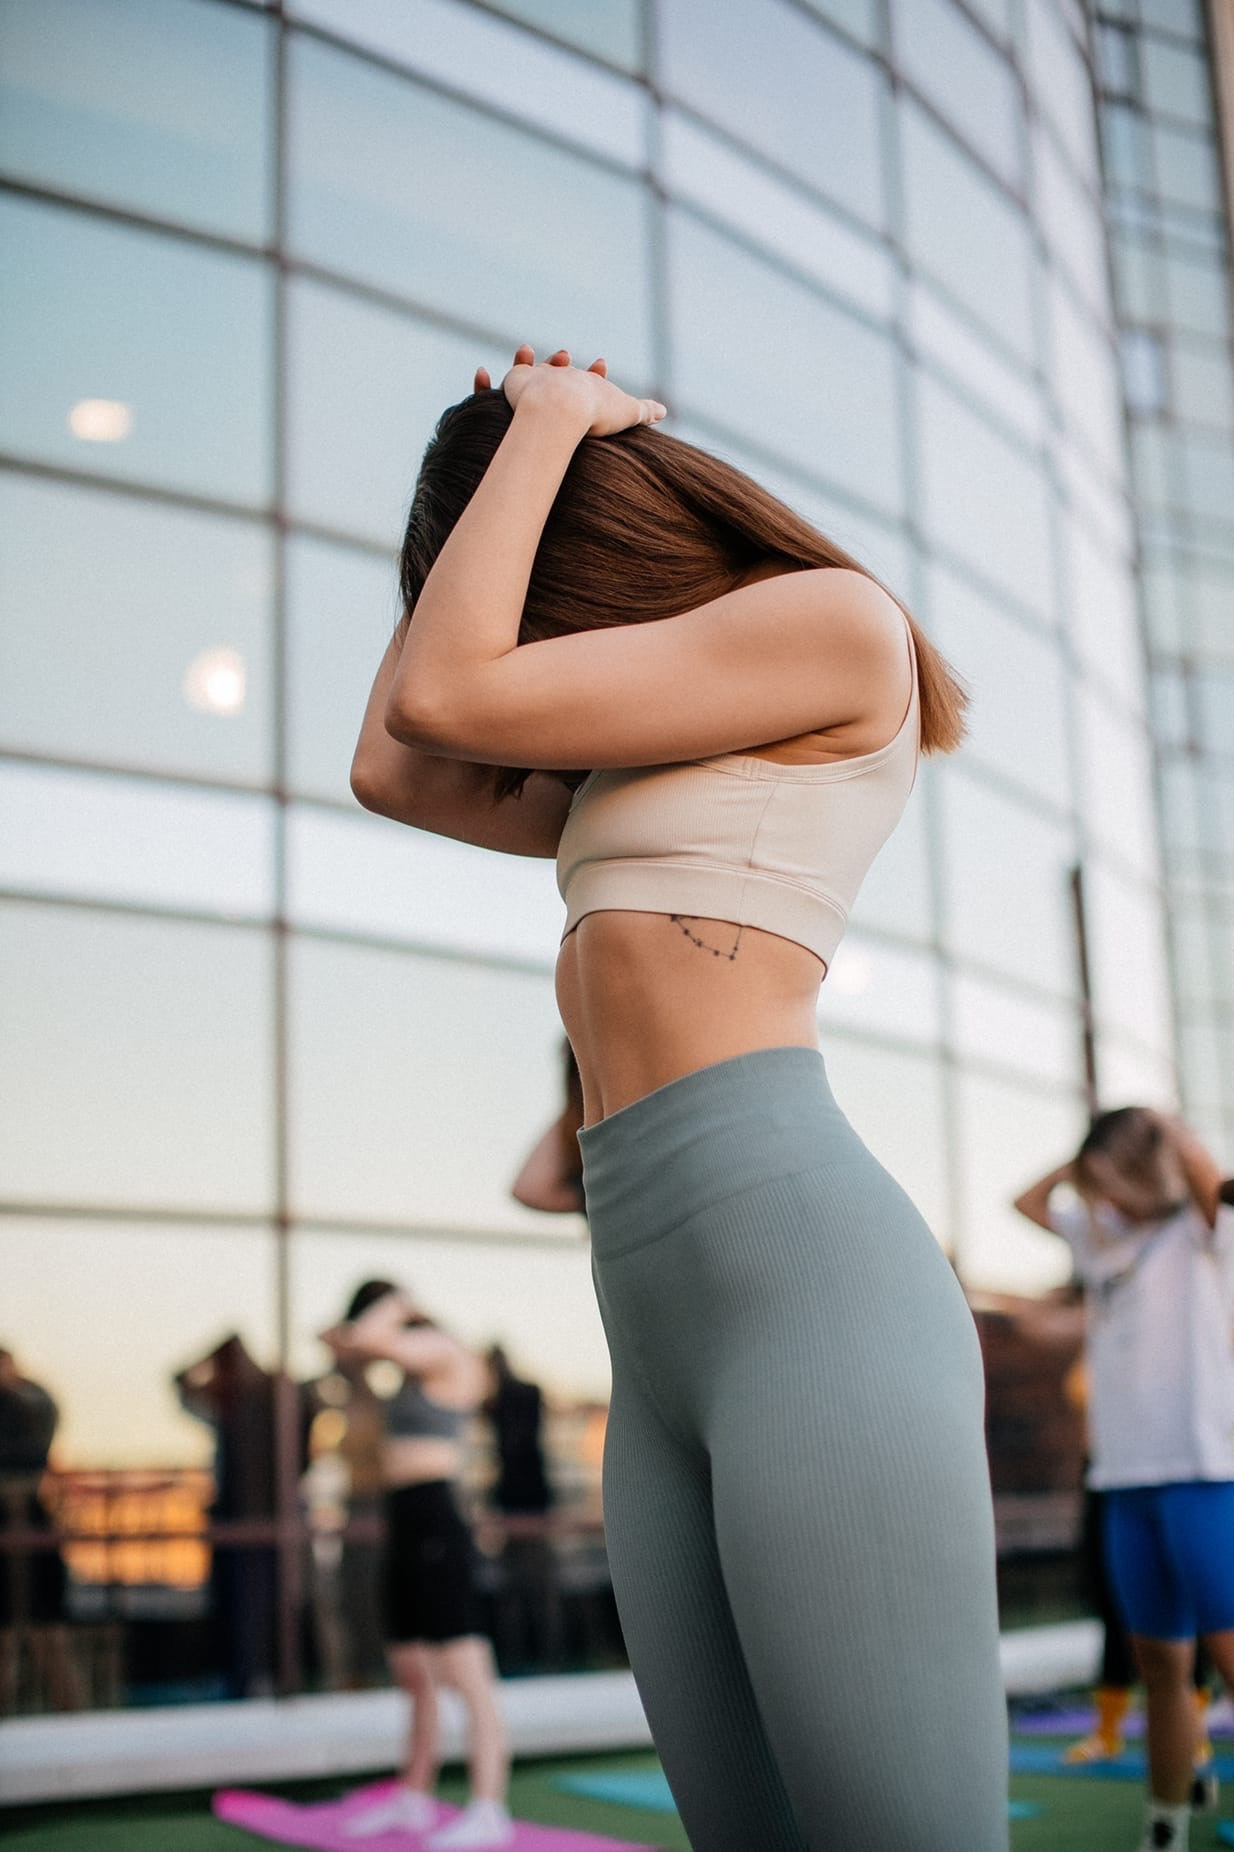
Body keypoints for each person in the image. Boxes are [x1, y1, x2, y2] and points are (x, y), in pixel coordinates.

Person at [350, 344, 1008, 1849]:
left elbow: (453, 686)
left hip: (806, 1292)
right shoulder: (621, 759)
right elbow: (396, 764)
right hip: (652, 1331)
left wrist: (551, 421)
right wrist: (503, 482)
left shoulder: (835, 628)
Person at [1014, 1107, 1234, 1852]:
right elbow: (1027, 1203)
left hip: (1203, 1477)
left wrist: (1167, 1131)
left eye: (1112, 1182)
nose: (1098, 1199)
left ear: (1149, 1173)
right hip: (1126, 1484)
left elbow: (1208, 1182)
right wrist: (1081, 1163)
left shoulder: (1203, 1233)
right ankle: (1166, 1829)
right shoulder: (1103, 1241)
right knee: (1162, 1669)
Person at [322, 1281, 511, 1849]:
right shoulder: (405, 1368)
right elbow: (344, 1343)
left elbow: (358, 1339)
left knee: (466, 1669)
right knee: (413, 1668)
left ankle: (488, 1808)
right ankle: (414, 1795)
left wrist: (397, 1303)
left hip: (436, 1517)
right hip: (401, 1518)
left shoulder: (441, 1349)